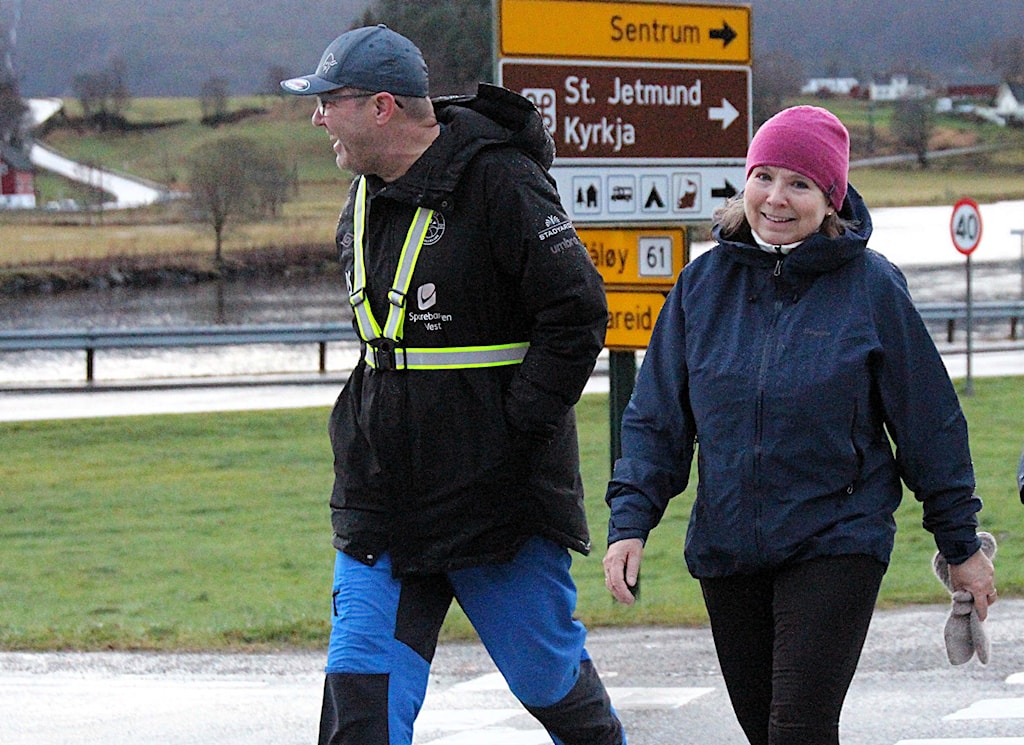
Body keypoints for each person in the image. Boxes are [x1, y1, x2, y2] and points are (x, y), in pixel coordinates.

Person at [602, 105, 996, 745]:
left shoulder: (872, 287)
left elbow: (930, 425)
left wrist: (961, 546)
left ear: (831, 198)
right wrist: (630, 523)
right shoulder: (702, 285)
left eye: (800, 183)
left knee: (798, 729)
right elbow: (655, 420)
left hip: (836, 539)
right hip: (728, 545)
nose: (776, 198)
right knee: (765, 731)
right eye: (764, 177)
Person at [280, 24, 626, 745]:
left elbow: (577, 314)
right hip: (382, 502)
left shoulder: (502, 182)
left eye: (328, 101)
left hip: (493, 503)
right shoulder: (360, 201)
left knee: (550, 684)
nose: (316, 118)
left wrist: (513, 429)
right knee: (360, 707)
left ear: (381, 107)